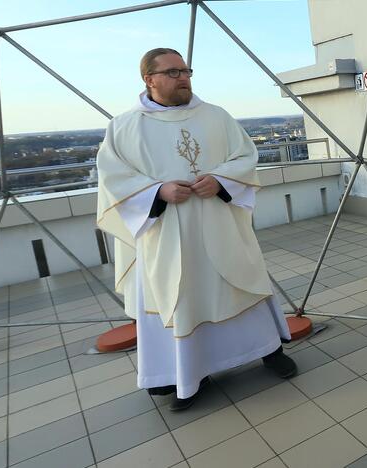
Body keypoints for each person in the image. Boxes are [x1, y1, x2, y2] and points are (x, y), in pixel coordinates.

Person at [96, 48, 296, 412]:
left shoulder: (216, 116)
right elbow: (113, 180)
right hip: (168, 235)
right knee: (183, 295)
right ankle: (193, 374)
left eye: (186, 70)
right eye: (172, 72)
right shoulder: (124, 127)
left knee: (241, 281)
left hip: (221, 227)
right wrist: (158, 191)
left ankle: (269, 350)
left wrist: (220, 181)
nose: (183, 77)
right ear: (149, 79)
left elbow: (246, 157)